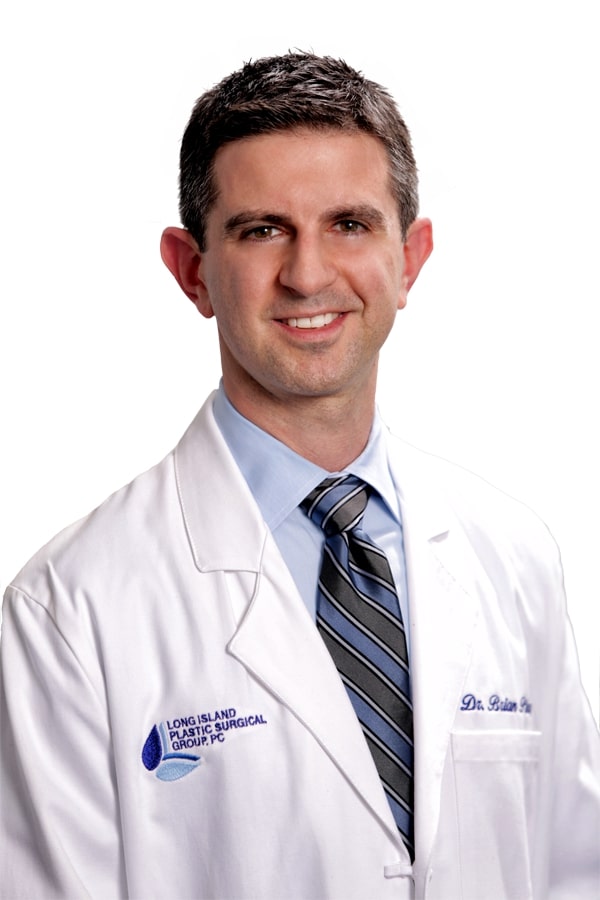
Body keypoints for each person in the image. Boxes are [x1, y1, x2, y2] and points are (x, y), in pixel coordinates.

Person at [1, 52, 598, 900]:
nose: (308, 274)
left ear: (410, 258)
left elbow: (573, 874)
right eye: (261, 229)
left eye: (350, 224)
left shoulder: (516, 559)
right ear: (192, 270)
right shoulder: (71, 608)